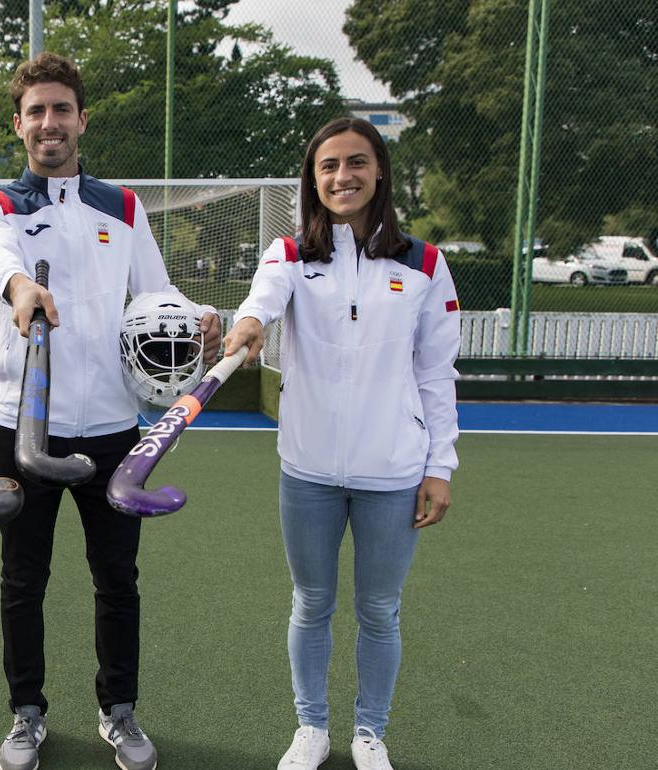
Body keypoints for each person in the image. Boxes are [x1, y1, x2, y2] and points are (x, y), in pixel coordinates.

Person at [0, 52, 221, 770]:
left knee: (118, 579)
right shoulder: (0, 206)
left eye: (61, 109)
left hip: (115, 431)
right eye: (36, 111)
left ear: (82, 118)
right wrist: (19, 286)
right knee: (23, 579)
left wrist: (199, 318)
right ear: (19, 124)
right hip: (26, 425)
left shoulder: (124, 206)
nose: (50, 123)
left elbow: (157, 295)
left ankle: (119, 712)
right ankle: (26, 715)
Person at [223, 117, 460, 770]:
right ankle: (312, 729)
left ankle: (369, 734)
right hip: (309, 470)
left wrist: (440, 466)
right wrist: (247, 325)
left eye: (356, 163)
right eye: (328, 166)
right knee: (312, 603)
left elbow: (437, 377)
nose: (342, 176)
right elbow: (261, 301)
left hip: (394, 472)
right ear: (313, 179)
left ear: (379, 170)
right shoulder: (290, 255)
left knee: (379, 610)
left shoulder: (426, 265)